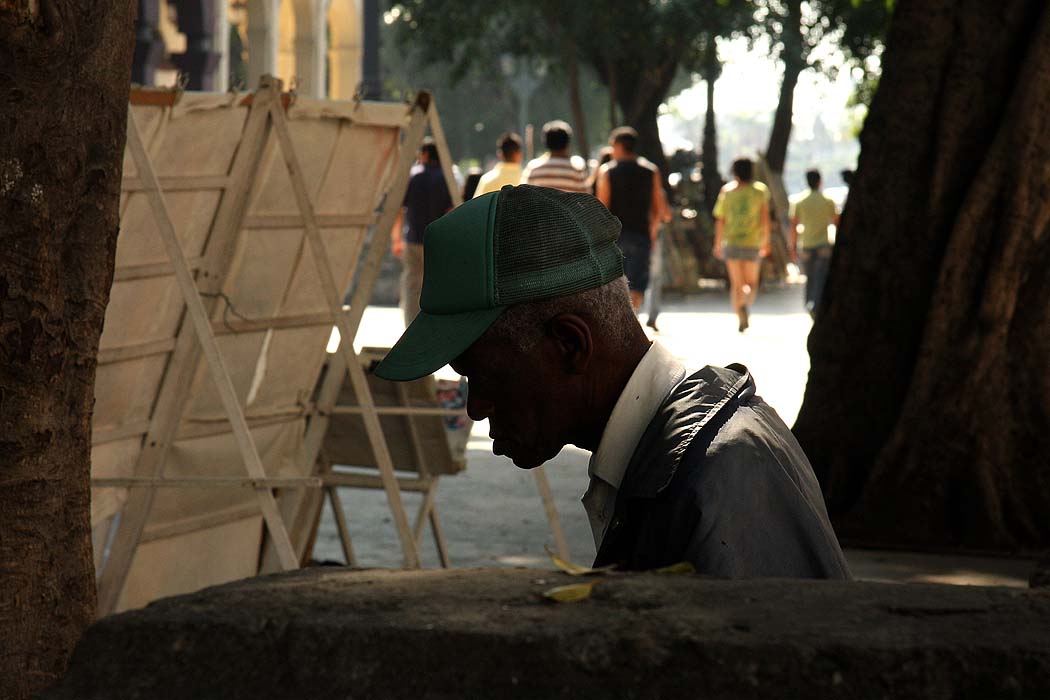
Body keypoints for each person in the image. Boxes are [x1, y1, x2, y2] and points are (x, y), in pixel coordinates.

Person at [374, 184, 851, 579]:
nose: (475, 406)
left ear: (570, 344)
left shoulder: (717, 471)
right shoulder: (687, 451)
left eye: (480, 374)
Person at [595, 127, 671, 310]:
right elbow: (660, 209)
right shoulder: (651, 171)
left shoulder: (607, 171)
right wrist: (653, 229)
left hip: (614, 238)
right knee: (636, 286)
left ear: (619, 145)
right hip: (640, 235)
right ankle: (634, 317)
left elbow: (600, 208)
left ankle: (622, 322)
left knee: (614, 285)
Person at [390, 138, 452, 327]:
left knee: (412, 286)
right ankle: (433, 328)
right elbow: (450, 211)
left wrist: (396, 238)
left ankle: (410, 327)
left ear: (425, 155)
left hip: (414, 239)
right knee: (437, 286)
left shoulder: (414, 176)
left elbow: (399, 210)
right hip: (437, 242)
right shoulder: (445, 177)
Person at [712, 158, 770, 333]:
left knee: (737, 284)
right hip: (753, 243)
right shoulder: (760, 191)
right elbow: (765, 219)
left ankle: (739, 315)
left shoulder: (727, 191)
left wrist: (717, 243)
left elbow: (720, 220)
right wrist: (766, 241)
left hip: (731, 243)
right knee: (751, 283)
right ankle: (745, 304)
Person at [789, 168, 839, 318]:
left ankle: (808, 303)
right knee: (820, 277)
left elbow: (794, 227)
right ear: (820, 181)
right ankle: (816, 304)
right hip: (823, 245)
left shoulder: (799, 201)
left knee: (809, 277)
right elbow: (837, 223)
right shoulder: (828, 201)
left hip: (806, 245)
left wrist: (792, 246)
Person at [521, 120, 589, 193]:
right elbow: (585, 198)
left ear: (546, 142)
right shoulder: (576, 169)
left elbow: (523, 195)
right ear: (567, 143)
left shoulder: (533, 168)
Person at [473, 132, 523, 197]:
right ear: (519, 154)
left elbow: (477, 205)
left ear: (500, 154)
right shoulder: (526, 178)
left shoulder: (486, 180)